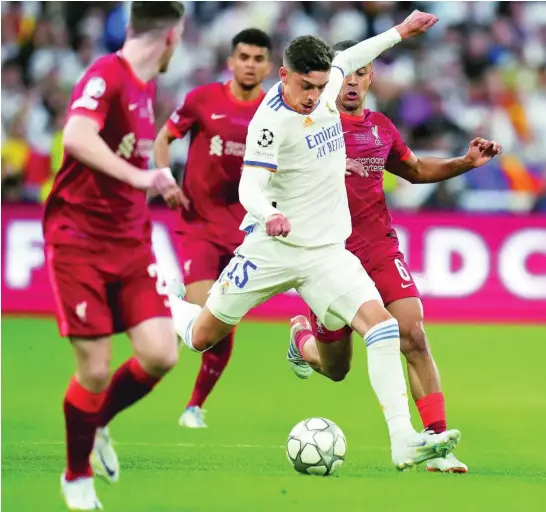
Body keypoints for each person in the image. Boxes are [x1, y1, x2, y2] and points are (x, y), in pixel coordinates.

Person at [169, 11, 462, 471]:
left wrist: (400, 32)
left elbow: (355, 55)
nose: (313, 97)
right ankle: (163, 306)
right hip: (272, 249)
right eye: (305, 87)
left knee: (383, 328)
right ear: (283, 76)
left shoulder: (328, 83)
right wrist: (269, 216)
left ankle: (404, 440)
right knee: (204, 336)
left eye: (320, 86)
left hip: (327, 252)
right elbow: (250, 187)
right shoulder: (269, 123)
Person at [286, 39, 502, 474]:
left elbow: (417, 170)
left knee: (414, 336)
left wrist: (466, 162)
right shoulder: (309, 124)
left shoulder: (380, 127)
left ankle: (437, 444)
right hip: (329, 254)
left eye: (361, 72)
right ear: (330, 78)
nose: (352, 82)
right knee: (335, 368)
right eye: (345, 73)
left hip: (380, 248)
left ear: (371, 78)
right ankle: (301, 343)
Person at [42, 3, 186, 509]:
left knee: (160, 354)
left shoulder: (146, 89)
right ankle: (76, 477)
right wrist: (141, 177)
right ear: (172, 35)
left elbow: (123, 153)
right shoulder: (106, 74)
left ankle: (97, 423)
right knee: (96, 370)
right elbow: (77, 137)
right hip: (79, 240)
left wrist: (155, 181)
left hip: (130, 241)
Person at [154, 28, 273, 429]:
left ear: (268, 66)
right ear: (231, 61)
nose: (251, 64)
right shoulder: (202, 100)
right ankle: (173, 303)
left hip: (246, 231)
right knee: (208, 316)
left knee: (222, 324)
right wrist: (164, 178)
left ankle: (194, 405)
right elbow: (163, 138)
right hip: (199, 225)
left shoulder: (275, 111)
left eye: (258, 58)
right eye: (244, 57)